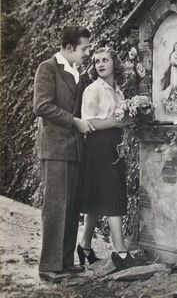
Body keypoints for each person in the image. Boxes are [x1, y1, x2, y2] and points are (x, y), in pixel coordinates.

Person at [33, 26, 95, 282]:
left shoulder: (77, 73)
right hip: (56, 148)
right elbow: (41, 106)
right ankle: (49, 266)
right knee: (57, 206)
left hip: (74, 150)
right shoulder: (47, 68)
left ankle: (65, 262)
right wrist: (75, 121)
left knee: (70, 207)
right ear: (69, 48)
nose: (88, 53)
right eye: (85, 49)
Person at [77, 47, 136, 271]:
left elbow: (120, 121)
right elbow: (88, 123)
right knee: (113, 192)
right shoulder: (93, 89)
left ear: (114, 63)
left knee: (97, 196)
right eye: (97, 61)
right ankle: (120, 250)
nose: (100, 64)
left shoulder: (118, 91)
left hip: (114, 145)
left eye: (105, 60)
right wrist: (113, 122)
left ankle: (84, 247)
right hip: (97, 146)